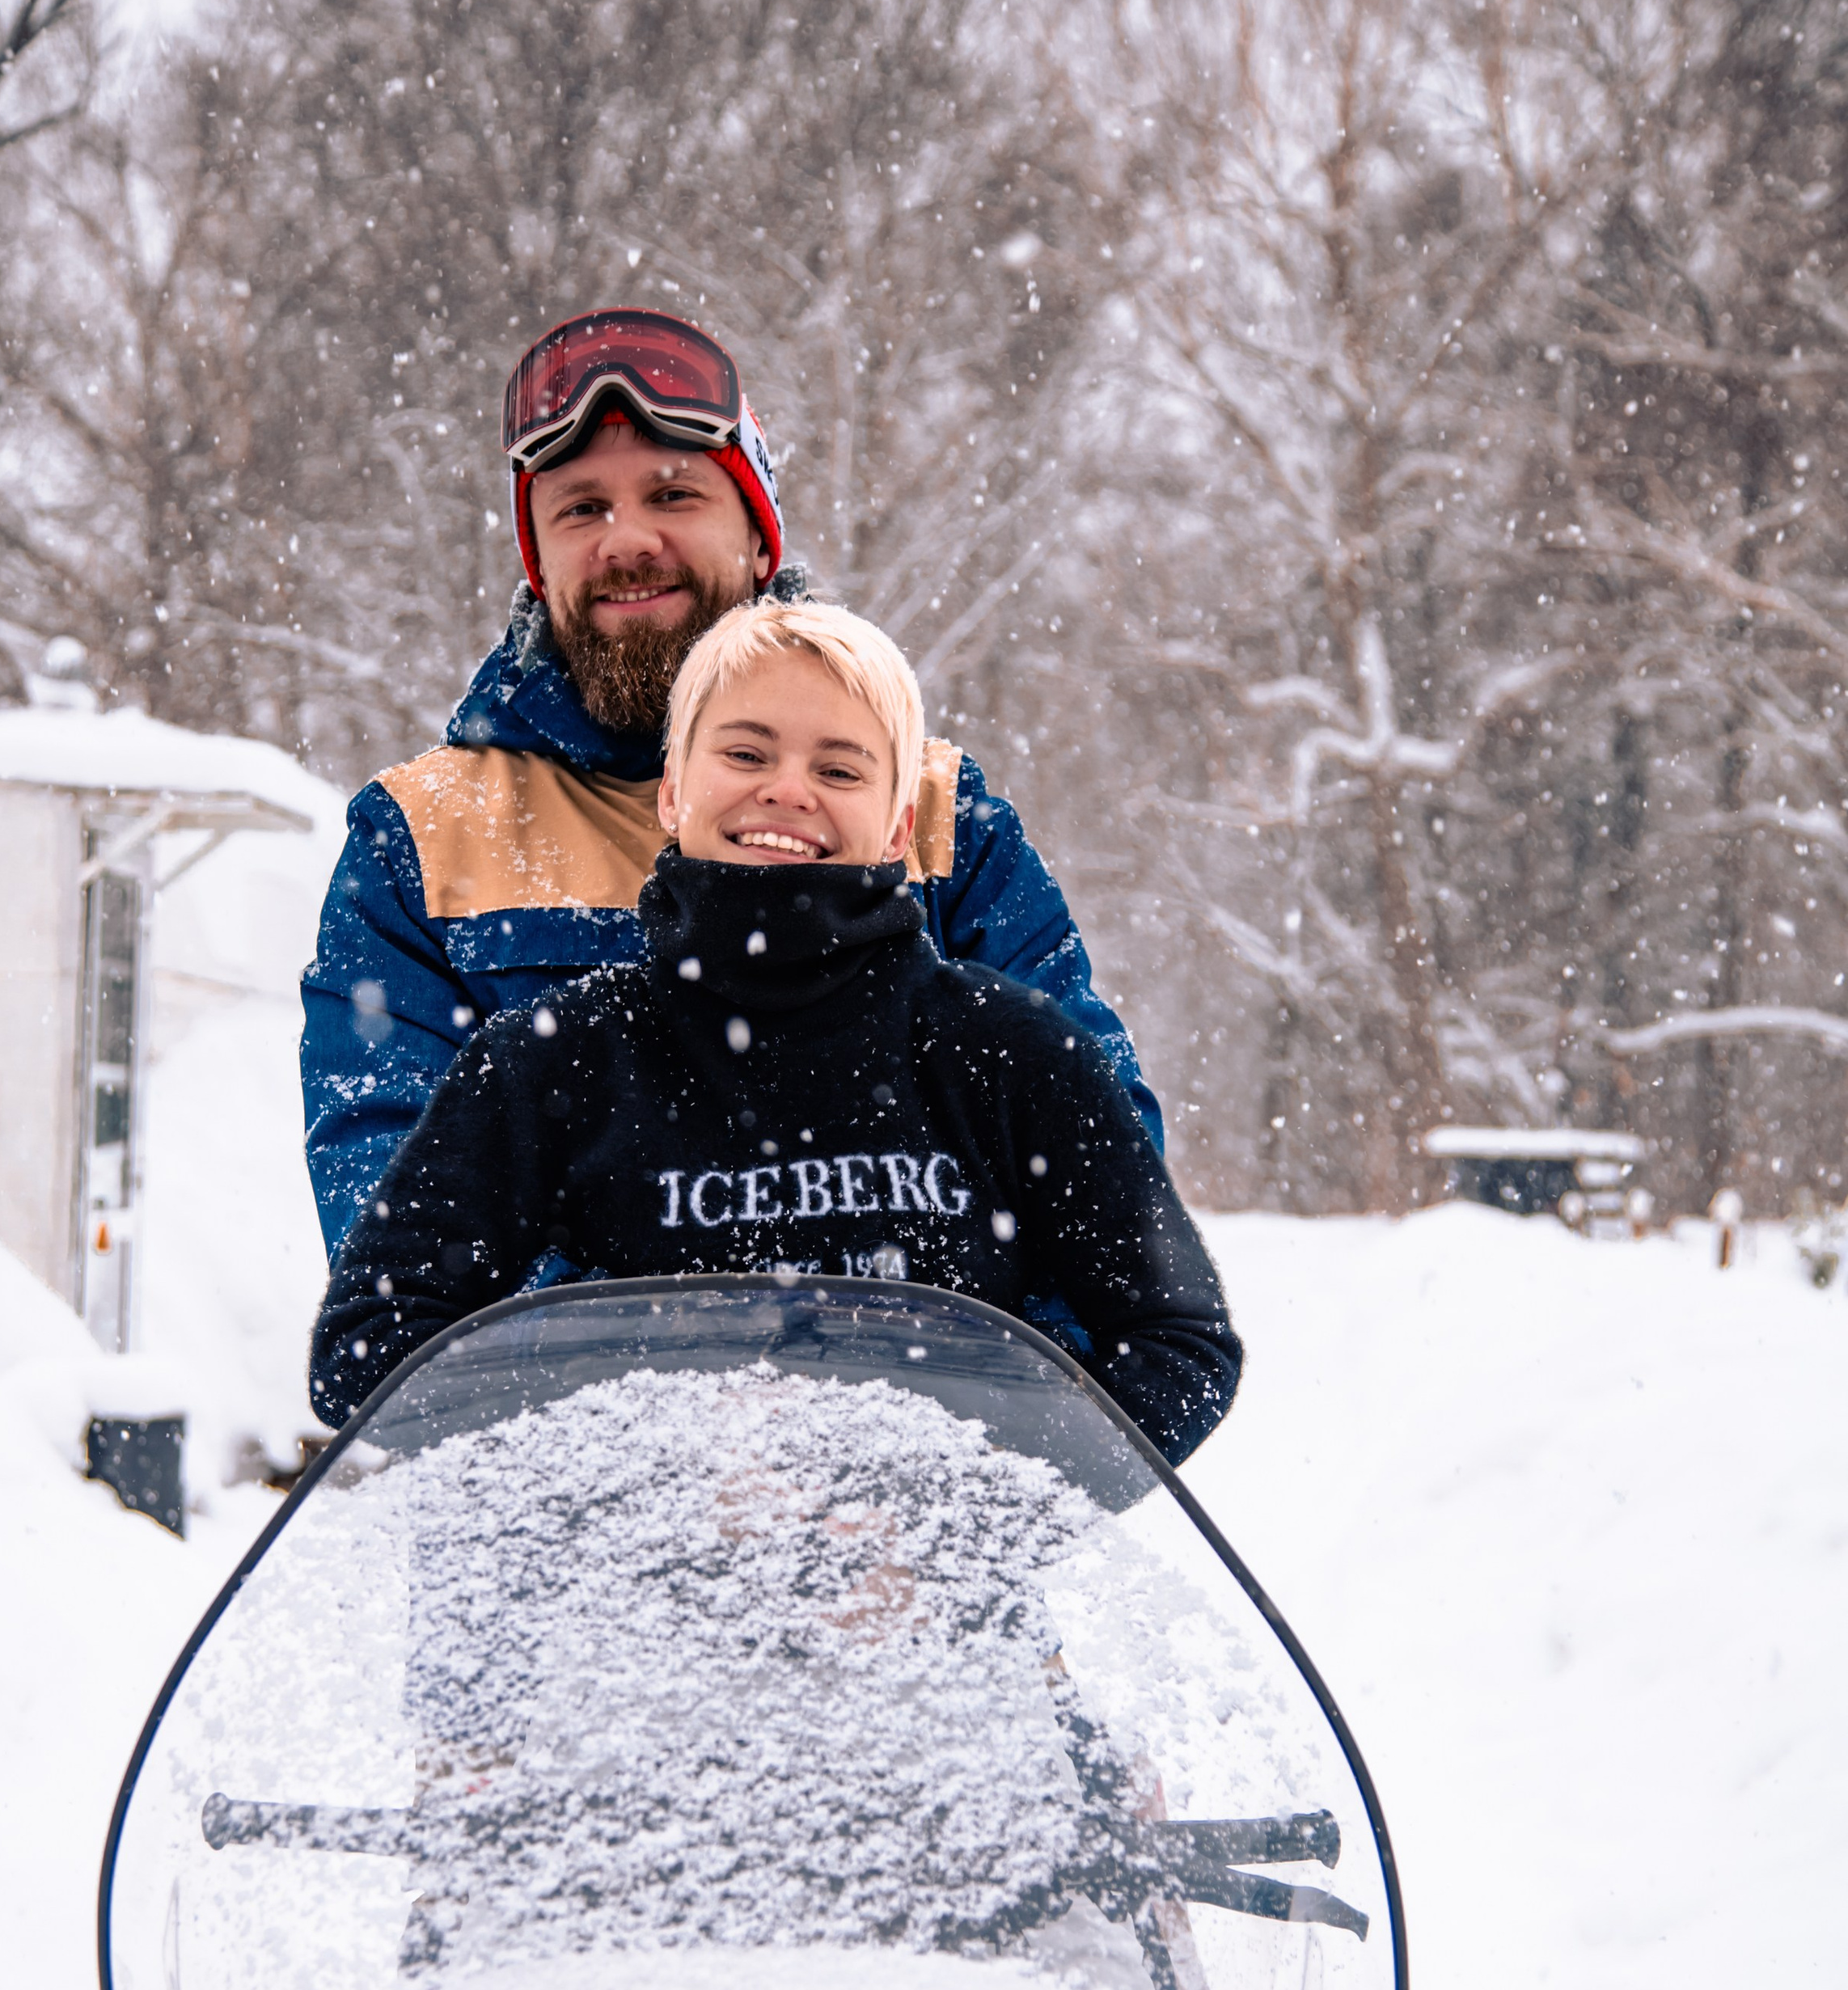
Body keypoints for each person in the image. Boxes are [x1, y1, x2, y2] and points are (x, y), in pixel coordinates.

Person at [300, 306, 1169, 1287]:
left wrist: (918, 1376)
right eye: (581, 509)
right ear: (537, 566)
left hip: (914, 1413)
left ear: (758, 539)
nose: (627, 540)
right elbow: (400, 1229)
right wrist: (662, 1384)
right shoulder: (423, 842)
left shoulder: (933, 818)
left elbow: (1098, 1176)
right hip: (572, 1429)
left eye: (673, 494)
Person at [311, 602, 1241, 1465]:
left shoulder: (1009, 1054)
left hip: (928, 1625)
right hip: (601, 1626)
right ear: (673, 792)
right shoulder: (548, 1059)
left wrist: (947, 1516)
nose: (788, 791)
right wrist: (659, 1457)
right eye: (746, 754)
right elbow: (369, 1348)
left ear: (896, 825)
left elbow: (1177, 1345)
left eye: (839, 768)